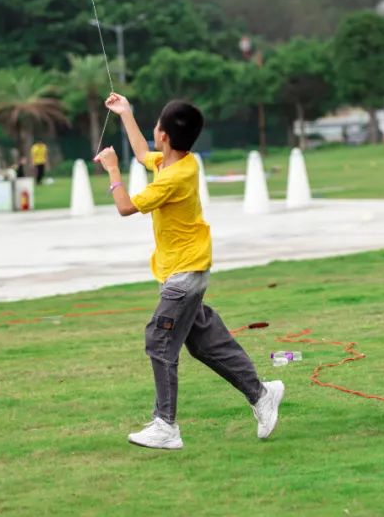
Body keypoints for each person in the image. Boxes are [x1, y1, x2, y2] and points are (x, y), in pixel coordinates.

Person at [94, 92, 283, 451]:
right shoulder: (181, 163)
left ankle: (165, 425)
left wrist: (113, 170)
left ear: (162, 135)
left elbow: (125, 207)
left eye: (157, 128)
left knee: (159, 341)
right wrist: (125, 114)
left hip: (182, 276)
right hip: (188, 270)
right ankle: (262, 394)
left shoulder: (172, 179)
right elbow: (140, 152)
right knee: (205, 343)